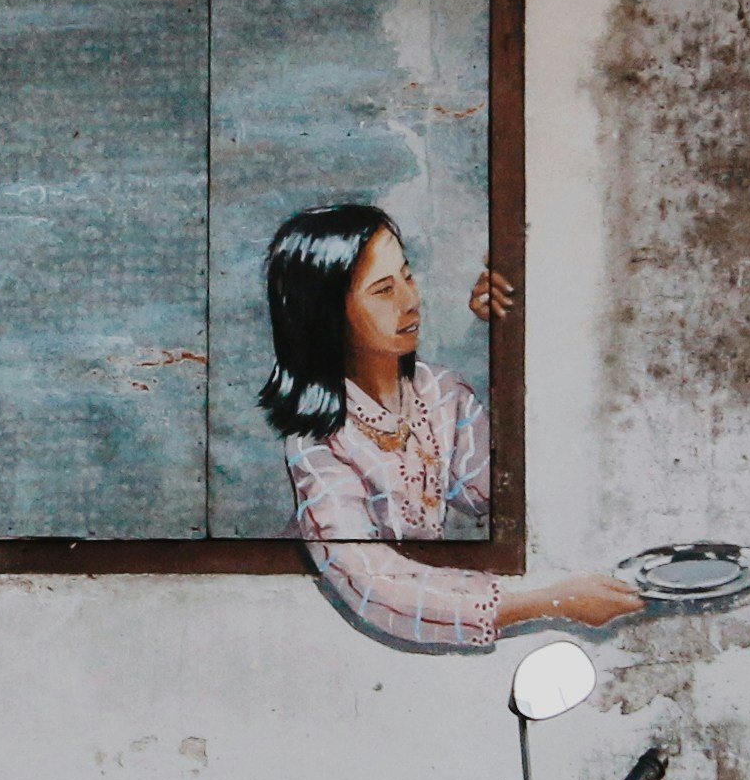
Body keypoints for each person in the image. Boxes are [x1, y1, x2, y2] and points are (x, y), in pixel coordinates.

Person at [260, 202, 641, 653]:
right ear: (326, 314)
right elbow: (374, 586)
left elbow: (488, 493)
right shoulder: (319, 441)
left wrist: (508, 322)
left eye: (407, 275)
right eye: (383, 289)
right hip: (330, 641)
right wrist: (551, 601)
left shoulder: (441, 391)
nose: (409, 299)